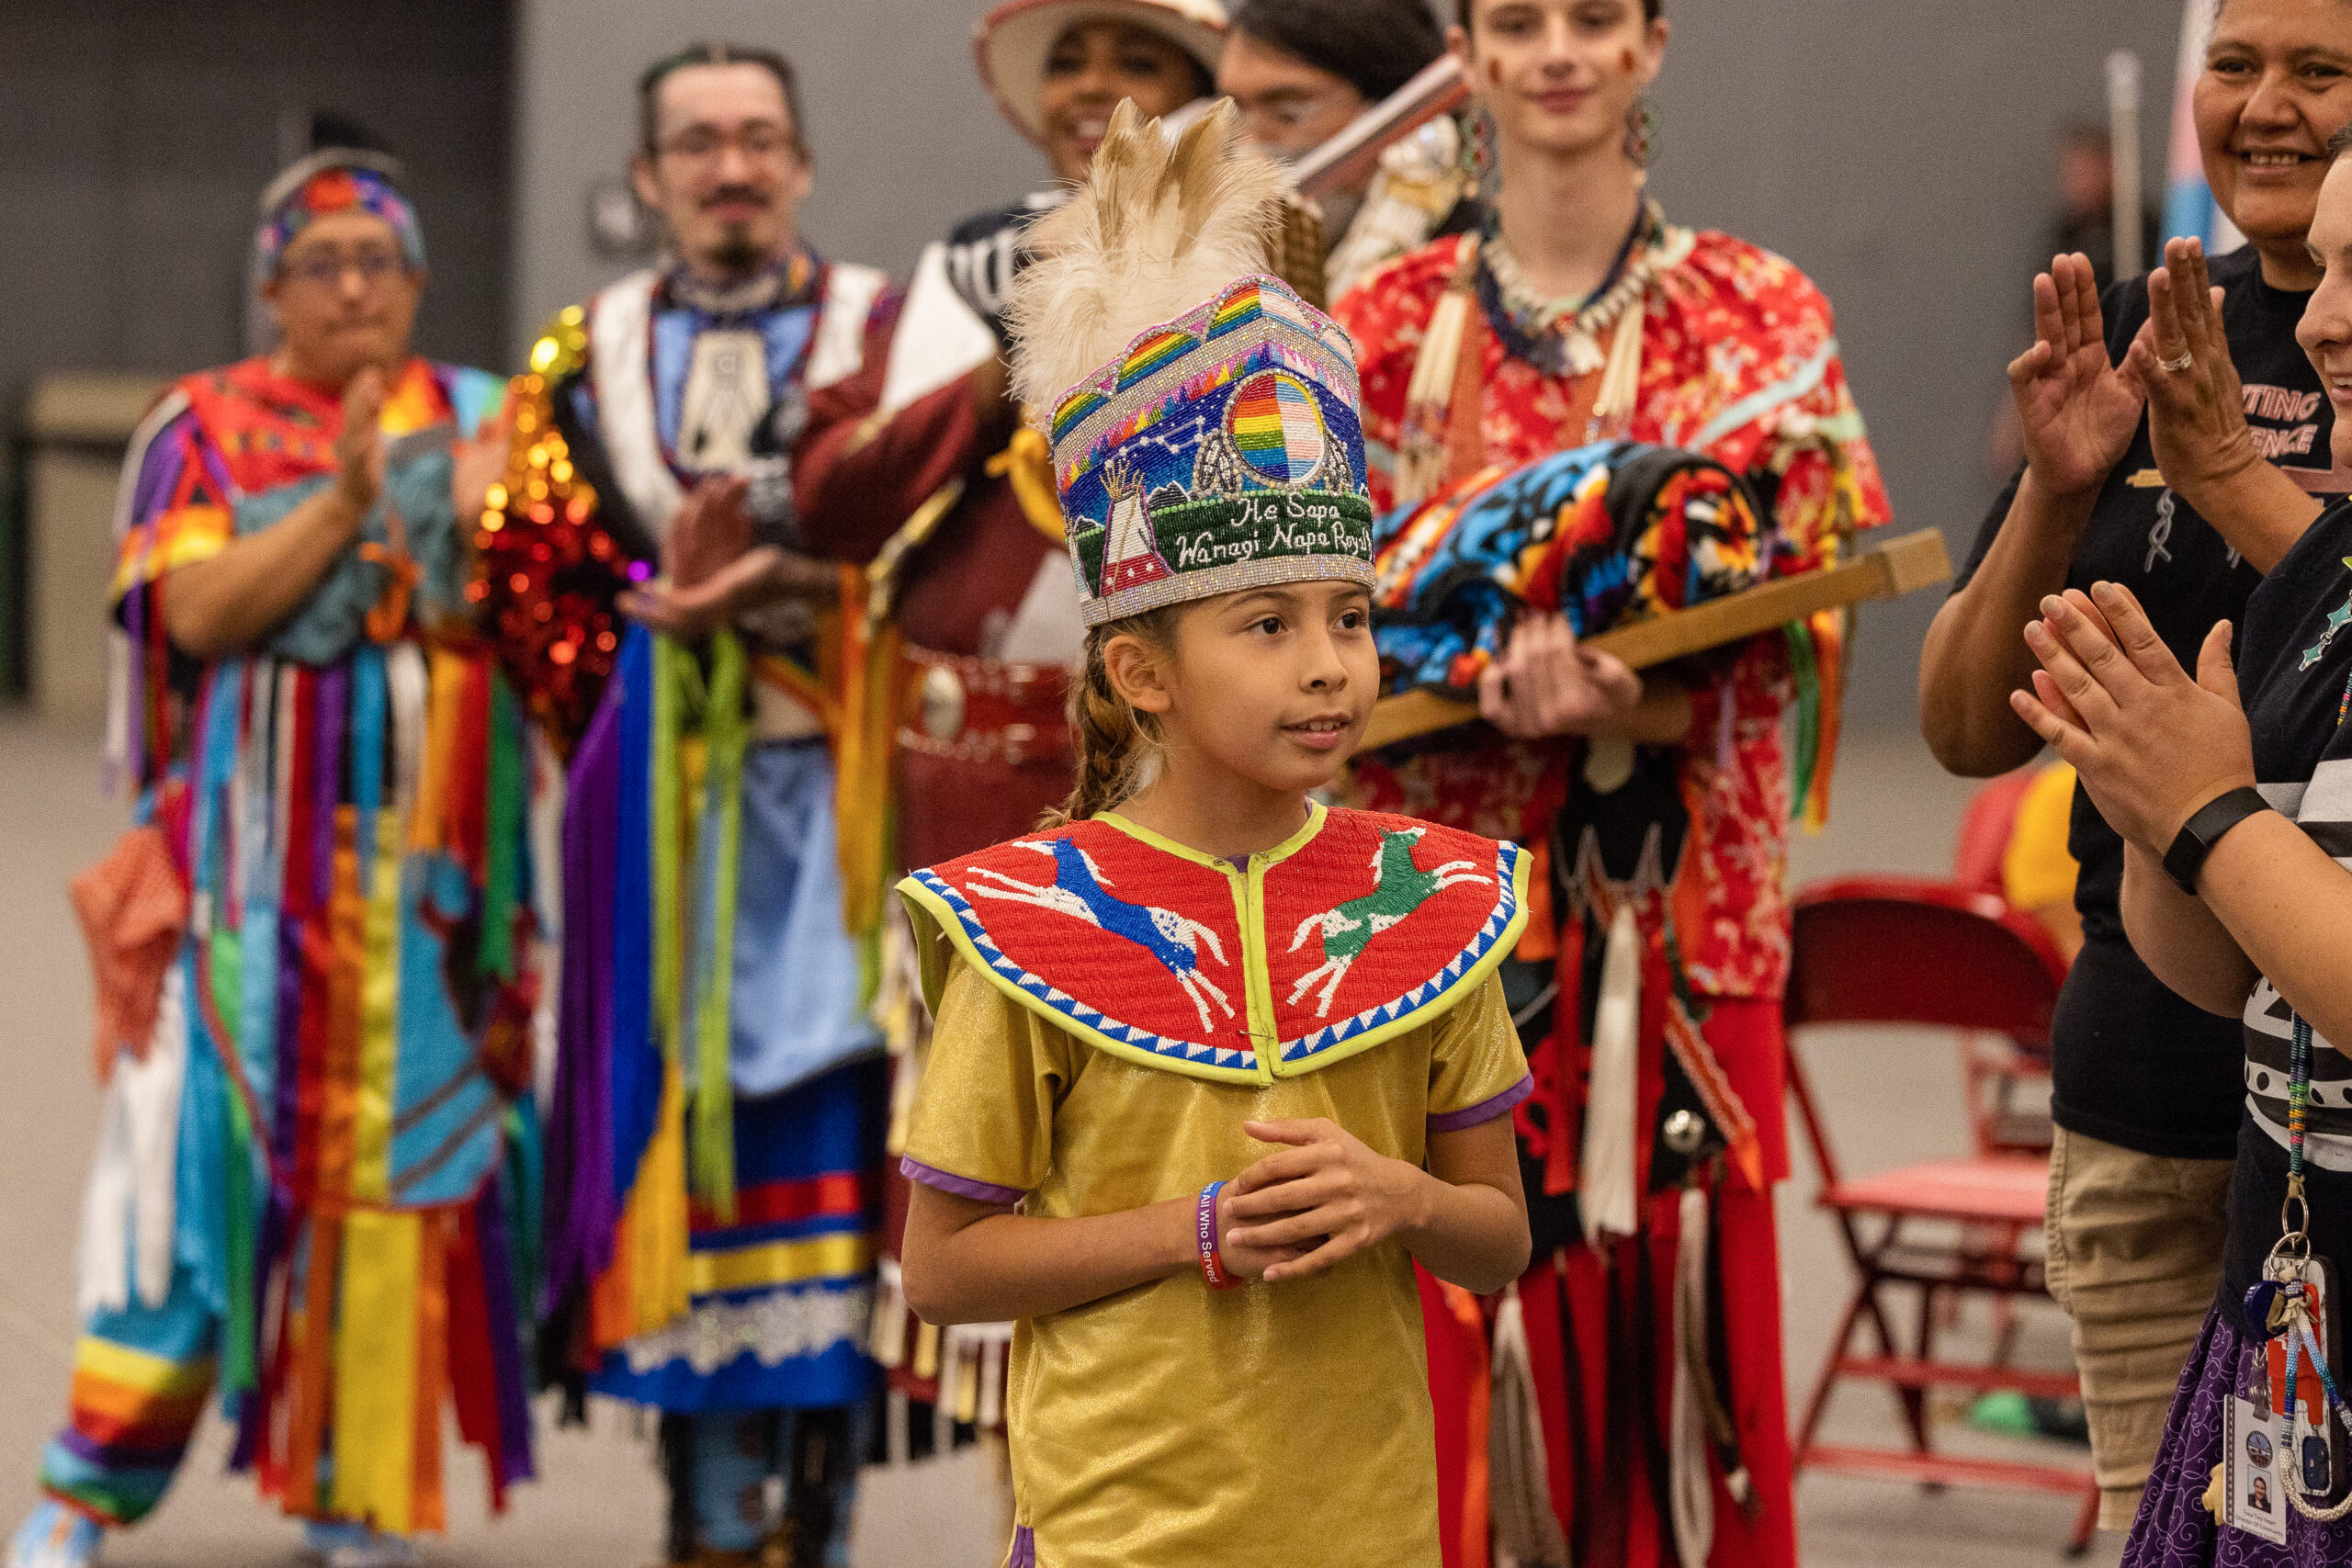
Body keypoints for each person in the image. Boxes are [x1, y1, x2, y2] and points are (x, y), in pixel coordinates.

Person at [894, 99, 1536, 1568]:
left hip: (1366, 1528)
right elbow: (944, 1268)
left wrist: (1405, 1196)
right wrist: (1193, 1230)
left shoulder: (1425, 897)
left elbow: (1495, 1235)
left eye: (1352, 619)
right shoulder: (1029, 921)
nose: (1331, 664)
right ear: (1141, 671)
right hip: (1120, 1535)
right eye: (1268, 624)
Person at [1334, 1, 1891, 1563]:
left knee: (1681, 1321)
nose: (1558, 50)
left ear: (1654, 42)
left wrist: (1658, 679)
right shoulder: (1375, 323)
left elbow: (1818, 593)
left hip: (1679, 908)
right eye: (1518, 19)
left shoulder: (1756, 310)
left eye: (1596, 16)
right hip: (1423, 910)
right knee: (1440, 1337)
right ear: (1467, 49)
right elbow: (1313, 610)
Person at [11, 150, 533, 1568]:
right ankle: (84, 1484)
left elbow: (533, 615)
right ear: (271, 287)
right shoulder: (205, 425)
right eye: (322, 262)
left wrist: (475, 519)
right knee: (190, 1189)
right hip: (247, 894)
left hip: (435, 902)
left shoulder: (490, 413)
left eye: (380, 258)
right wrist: (345, 499)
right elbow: (194, 616)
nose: (354, 284)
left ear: (420, 277)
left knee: (396, 1190)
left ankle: (352, 1486)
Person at [1919, 0, 2352, 1528]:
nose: (2271, 104)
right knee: (2170, 1535)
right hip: (2148, 1091)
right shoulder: (2139, 327)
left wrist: (2235, 486)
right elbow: (1968, 727)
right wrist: (2056, 488)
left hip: (2325, 1125)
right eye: (2237, 64)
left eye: (2321, 68)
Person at [473, 46, 894, 1567]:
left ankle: (821, 1526)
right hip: (666, 831)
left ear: (802, 162)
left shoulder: (886, 337)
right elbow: (531, 580)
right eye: (699, 143)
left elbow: (940, 554)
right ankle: (710, 1528)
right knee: (681, 1176)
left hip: (845, 830)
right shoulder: (584, 358)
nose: (734, 166)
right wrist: (655, 636)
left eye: (762, 139)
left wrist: (797, 594)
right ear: (646, 177)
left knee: (833, 1169)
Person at [790, 0, 1225, 1447]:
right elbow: (837, 501)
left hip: (1172, 770)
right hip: (965, 785)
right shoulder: (969, 267)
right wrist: (1012, 345)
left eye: (1141, 61)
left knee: (1155, 1150)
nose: (1097, 89)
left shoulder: (1260, 252)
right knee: (998, 1160)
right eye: (1077, 61)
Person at [1217, 0, 1476, 298]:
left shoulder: (1469, 277)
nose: (1251, 144)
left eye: (1288, 114)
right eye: (1235, 112)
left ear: (1399, 121)